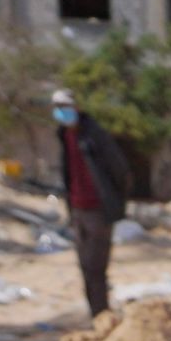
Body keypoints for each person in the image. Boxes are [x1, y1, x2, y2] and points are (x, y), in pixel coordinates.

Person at [52, 88, 130, 317]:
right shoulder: (64, 135)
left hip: (98, 210)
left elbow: (121, 171)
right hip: (77, 209)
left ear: (76, 107)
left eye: (65, 107)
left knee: (96, 268)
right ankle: (94, 314)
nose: (61, 112)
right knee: (85, 267)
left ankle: (102, 315)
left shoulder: (95, 135)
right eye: (57, 108)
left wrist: (112, 202)